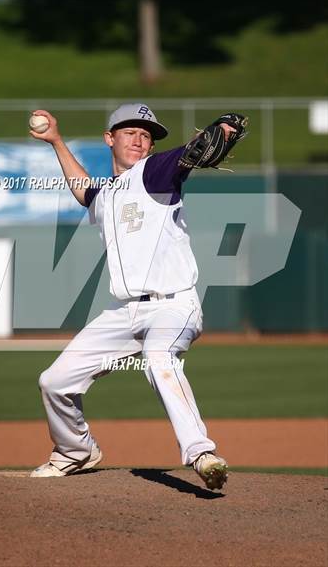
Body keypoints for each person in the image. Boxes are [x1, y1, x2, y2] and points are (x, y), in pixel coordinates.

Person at [29, 103, 236, 490]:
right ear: (110, 139)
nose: (140, 140)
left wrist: (219, 130)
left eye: (147, 135)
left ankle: (201, 453)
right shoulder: (107, 193)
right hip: (124, 312)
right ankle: (76, 451)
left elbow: (188, 154)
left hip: (173, 306)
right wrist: (56, 140)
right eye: (130, 132)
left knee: (159, 359)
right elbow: (84, 192)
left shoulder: (153, 172)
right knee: (54, 380)